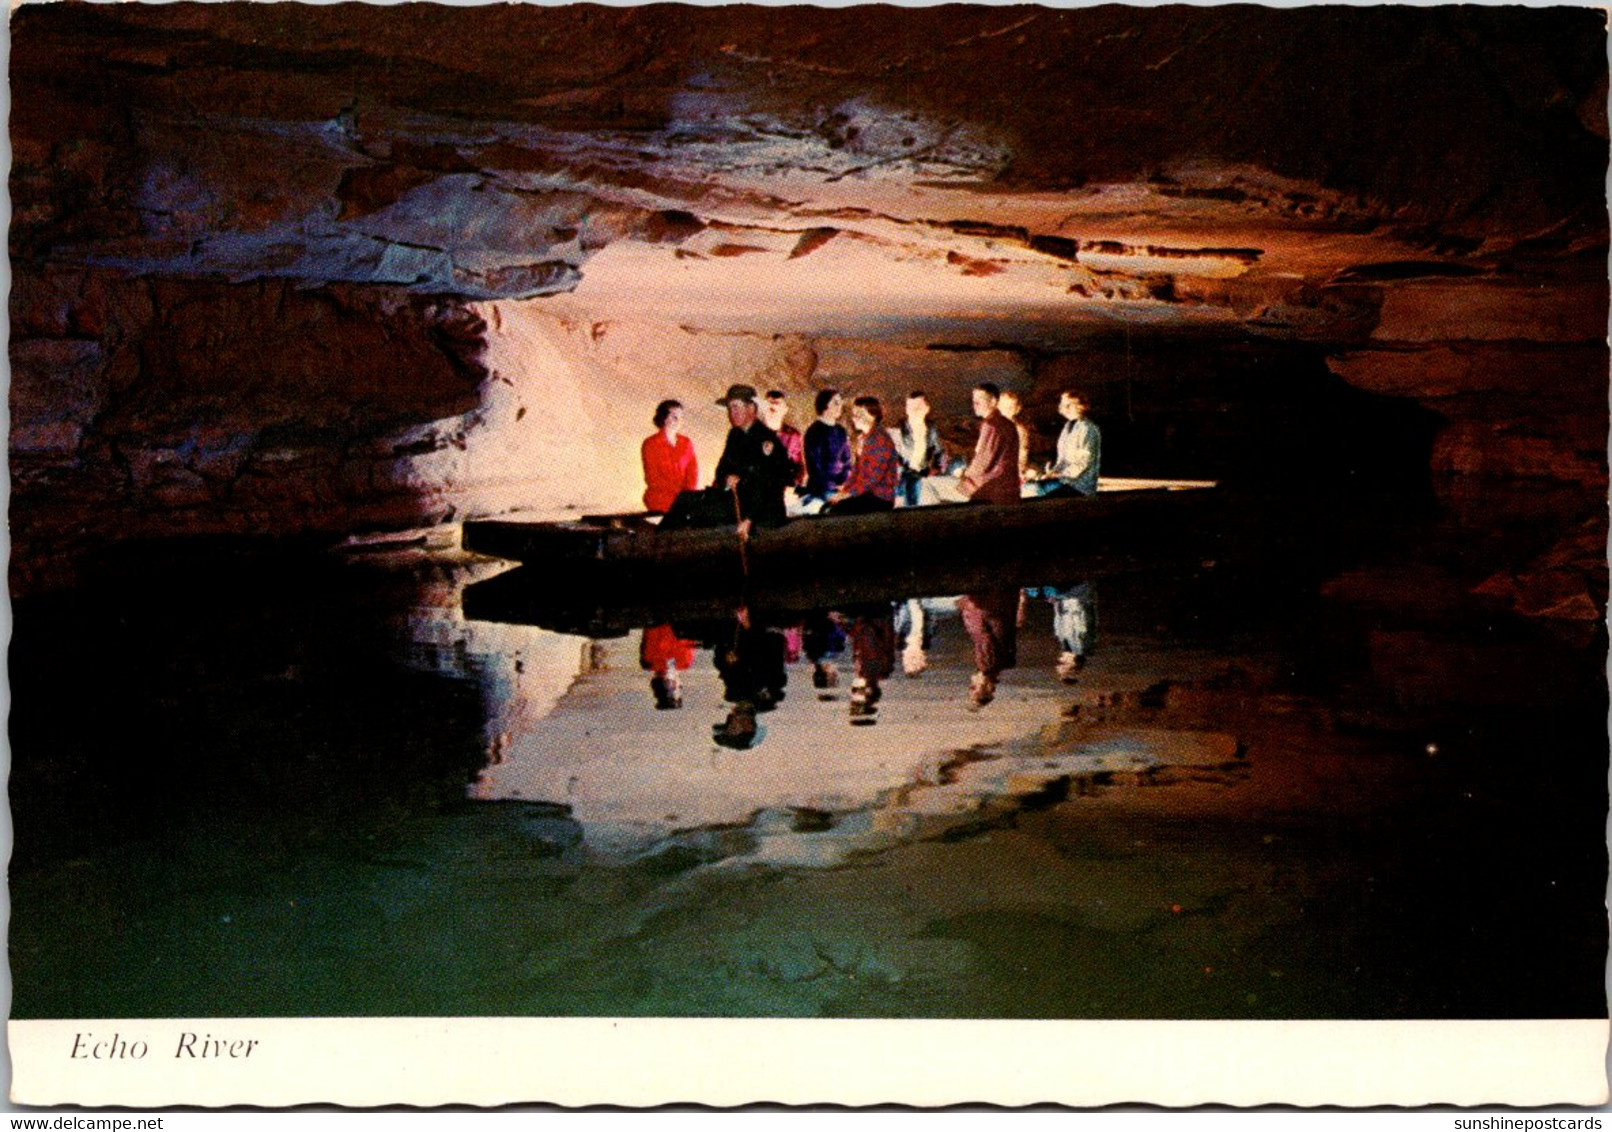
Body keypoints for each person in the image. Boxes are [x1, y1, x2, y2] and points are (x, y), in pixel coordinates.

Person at [827, 396, 900, 514]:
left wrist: (848, 494)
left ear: (873, 415)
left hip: (879, 497)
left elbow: (872, 478)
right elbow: (857, 472)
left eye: (859, 414)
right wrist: (844, 491)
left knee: (839, 510)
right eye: (854, 414)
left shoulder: (879, 439)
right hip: (866, 494)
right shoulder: (865, 439)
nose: (854, 418)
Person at [1028, 391, 1102, 497]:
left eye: (1068, 404)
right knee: (1030, 487)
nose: (1063, 407)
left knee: (1035, 490)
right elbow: (1063, 459)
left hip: (1079, 486)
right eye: (1062, 403)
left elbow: (1083, 462)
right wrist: (1051, 473)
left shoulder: (1087, 429)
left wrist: (1060, 475)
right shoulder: (1068, 426)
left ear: (1080, 407)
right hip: (1065, 481)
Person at [958, 383, 1022, 505]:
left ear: (993, 402)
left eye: (980, 400)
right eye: (974, 401)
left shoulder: (991, 425)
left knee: (929, 485)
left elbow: (983, 463)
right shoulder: (1007, 424)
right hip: (1009, 488)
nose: (975, 405)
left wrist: (964, 474)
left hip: (990, 489)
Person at [958, 587, 1018, 707]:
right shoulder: (986, 663)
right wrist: (966, 607)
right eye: (973, 687)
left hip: (1004, 601)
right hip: (986, 602)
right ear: (982, 686)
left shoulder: (1004, 662)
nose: (970, 682)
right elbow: (981, 633)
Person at [640, 399, 700, 514]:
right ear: (664, 418)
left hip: (684, 500)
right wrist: (678, 494)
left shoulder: (686, 442)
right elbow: (652, 478)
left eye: (680, 417)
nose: (678, 421)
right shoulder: (650, 443)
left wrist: (688, 496)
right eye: (674, 417)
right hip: (660, 500)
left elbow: (693, 472)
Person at [891, 390, 948, 507]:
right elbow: (892, 455)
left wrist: (937, 468)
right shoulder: (899, 429)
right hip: (902, 474)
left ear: (927, 408)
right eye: (910, 407)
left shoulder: (931, 429)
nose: (914, 411)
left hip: (922, 473)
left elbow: (940, 452)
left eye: (918, 407)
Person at [800, 389, 852, 513]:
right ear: (825, 405)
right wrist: (832, 487)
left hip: (840, 488)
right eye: (835, 402)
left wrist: (844, 482)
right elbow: (815, 466)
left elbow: (847, 460)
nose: (840, 406)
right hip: (821, 489)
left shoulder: (841, 431)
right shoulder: (815, 431)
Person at [759, 390, 807, 489]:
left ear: (785, 409)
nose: (772, 406)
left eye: (776, 403)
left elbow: (799, 467)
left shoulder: (793, 436)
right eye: (768, 404)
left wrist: (794, 487)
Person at [997, 390, 1033, 484]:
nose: (1006, 410)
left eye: (1010, 407)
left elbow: (1022, 453)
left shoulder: (1019, 430)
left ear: (1017, 409)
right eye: (1004, 407)